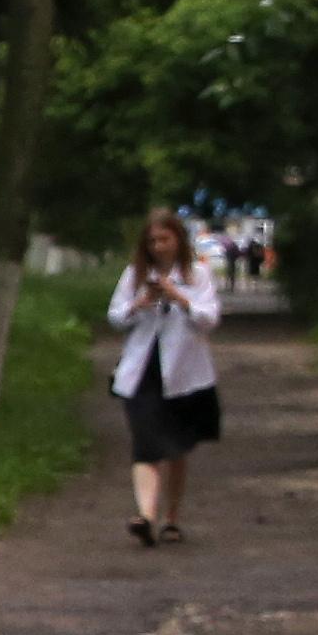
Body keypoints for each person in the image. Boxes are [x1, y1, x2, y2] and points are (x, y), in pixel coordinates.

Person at [108, 210, 223, 545]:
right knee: (145, 441)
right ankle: (145, 515)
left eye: (165, 239)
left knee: (176, 446)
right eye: (152, 241)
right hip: (142, 371)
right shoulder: (134, 275)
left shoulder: (198, 274)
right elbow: (115, 317)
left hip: (184, 372)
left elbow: (209, 319)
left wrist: (178, 297)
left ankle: (171, 517)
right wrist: (140, 303)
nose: (158, 247)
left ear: (178, 240)